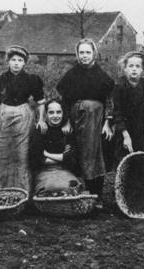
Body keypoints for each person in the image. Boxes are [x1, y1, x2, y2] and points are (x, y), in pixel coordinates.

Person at [56, 38, 114, 204]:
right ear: (77, 54)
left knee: (95, 154)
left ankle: (97, 195)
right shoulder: (72, 75)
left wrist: (108, 123)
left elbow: (109, 101)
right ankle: (78, 191)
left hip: (96, 122)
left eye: (88, 52)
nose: (84, 56)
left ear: (94, 53)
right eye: (81, 52)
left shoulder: (102, 76)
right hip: (75, 120)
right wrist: (66, 122)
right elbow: (64, 100)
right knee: (77, 152)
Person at [0, 45, 46, 191]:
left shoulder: (32, 79)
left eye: (20, 60)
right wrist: (3, 114)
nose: (16, 63)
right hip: (3, 117)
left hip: (24, 117)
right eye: (13, 59)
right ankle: (0, 189)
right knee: (0, 153)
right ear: (8, 61)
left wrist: (40, 119)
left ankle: (22, 190)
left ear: (24, 63)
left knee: (22, 154)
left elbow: (41, 102)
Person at [29, 100, 81, 196]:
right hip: (44, 171)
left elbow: (71, 158)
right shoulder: (41, 130)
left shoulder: (67, 130)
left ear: (63, 113)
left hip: (64, 170)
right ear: (46, 114)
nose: (55, 116)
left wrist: (47, 154)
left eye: (58, 112)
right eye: (51, 112)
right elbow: (37, 159)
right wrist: (62, 157)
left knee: (71, 187)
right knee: (50, 188)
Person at [113, 51, 144, 158]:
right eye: (131, 66)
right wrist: (126, 136)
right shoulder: (119, 86)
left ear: (142, 69)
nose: (134, 69)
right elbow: (117, 112)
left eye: (138, 66)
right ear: (125, 69)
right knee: (125, 157)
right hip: (125, 129)